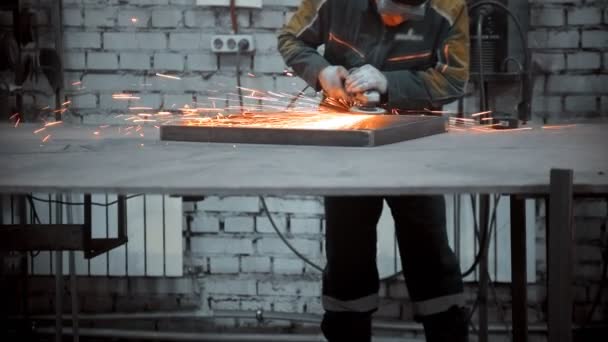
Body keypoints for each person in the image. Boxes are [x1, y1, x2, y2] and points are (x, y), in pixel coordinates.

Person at [278, 0, 470, 341]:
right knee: (347, 254)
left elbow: (454, 79)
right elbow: (291, 38)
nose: (395, 20)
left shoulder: (448, 6)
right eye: (388, 10)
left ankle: (447, 332)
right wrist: (321, 71)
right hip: (346, 142)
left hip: (413, 142)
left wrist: (389, 83)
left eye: (405, 15)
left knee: (429, 249)